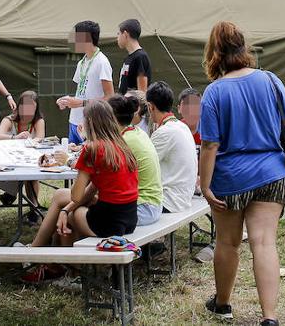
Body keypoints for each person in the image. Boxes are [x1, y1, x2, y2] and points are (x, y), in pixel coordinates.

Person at [198, 21, 285, 326]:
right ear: (244, 47)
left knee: (228, 243)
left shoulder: (214, 92)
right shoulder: (270, 80)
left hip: (231, 178)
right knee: (264, 242)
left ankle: (223, 304)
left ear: (214, 53)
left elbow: (210, 145)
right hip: (273, 174)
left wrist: (205, 184)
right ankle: (269, 318)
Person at [22, 99, 138, 284]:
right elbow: (94, 188)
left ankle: (72, 273)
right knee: (66, 207)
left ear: (89, 123)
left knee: (69, 217)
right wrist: (65, 208)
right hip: (129, 218)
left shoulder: (92, 149)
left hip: (108, 222)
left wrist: (67, 210)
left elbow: (76, 195)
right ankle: (41, 256)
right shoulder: (120, 145)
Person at [107, 94, 163, 226]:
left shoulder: (123, 142)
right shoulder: (137, 132)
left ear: (111, 118)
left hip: (143, 208)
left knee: (76, 214)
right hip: (153, 204)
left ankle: (58, 245)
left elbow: (99, 183)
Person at [56, 20, 113, 145]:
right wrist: (67, 101)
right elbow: (82, 92)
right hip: (74, 120)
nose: (73, 41)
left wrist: (81, 103)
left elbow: (110, 96)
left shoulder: (102, 62)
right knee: (71, 159)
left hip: (91, 123)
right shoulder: (82, 62)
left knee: (87, 161)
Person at [145, 81, 198, 213]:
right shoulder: (181, 127)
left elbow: (141, 167)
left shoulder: (165, 132)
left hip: (169, 202)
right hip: (183, 199)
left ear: (150, 107)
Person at [0, 90, 46, 220]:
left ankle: (31, 207)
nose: (28, 113)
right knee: (27, 172)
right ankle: (13, 194)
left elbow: (40, 138)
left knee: (32, 174)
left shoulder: (38, 121)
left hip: (30, 159)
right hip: (9, 159)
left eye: (32, 109)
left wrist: (31, 141)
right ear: (19, 107)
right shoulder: (9, 120)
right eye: (25, 108)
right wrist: (15, 137)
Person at [115, 19, 151, 95]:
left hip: (132, 105)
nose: (117, 38)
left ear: (125, 34)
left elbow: (142, 93)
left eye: (118, 34)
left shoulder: (140, 57)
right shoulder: (128, 58)